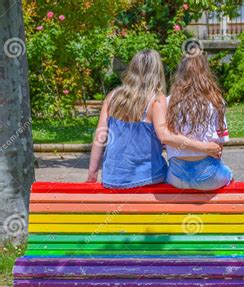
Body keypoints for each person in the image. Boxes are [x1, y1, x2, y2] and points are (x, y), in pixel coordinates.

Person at [87, 49, 222, 188]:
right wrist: (204, 147)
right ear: (157, 71)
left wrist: (92, 175)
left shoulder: (112, 97)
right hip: (148, 178)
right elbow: (164, 136)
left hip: (112, 179)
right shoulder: (156, 99)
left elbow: (100, 137)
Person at [165, 49, 233, 190]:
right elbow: (219, 149)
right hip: (209, 177)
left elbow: (165, 142)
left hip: (176, 178)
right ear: (205, 73)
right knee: (228, 173)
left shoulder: (168, 102)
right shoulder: (215, 101)